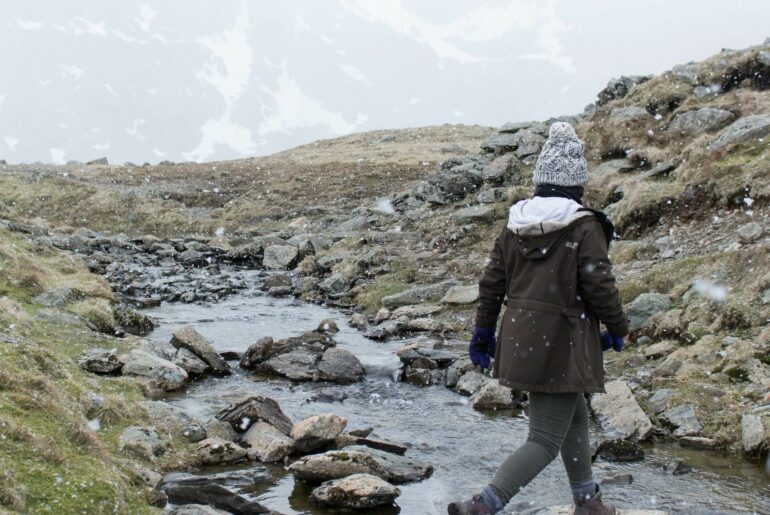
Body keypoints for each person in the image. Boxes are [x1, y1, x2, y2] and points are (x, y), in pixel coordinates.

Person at [447, 122, 629, 515]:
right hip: (561, 342)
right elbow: (600, 286)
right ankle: (485, 504)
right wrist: (617, 328)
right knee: (545, 438)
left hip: (521, 338)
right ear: (577, 183)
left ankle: (588, 502)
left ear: (539, 181)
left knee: (574, 416)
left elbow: (492, 283)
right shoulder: (584, 226)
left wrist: (482, 332)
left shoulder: (515, 224)